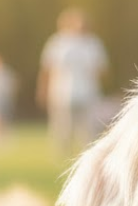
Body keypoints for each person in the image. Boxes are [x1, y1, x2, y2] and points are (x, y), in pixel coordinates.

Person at [36, 8, 109, 155]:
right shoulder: (58, 42)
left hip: (88, 93)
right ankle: (62, 157)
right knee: (63, 129)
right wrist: (42, 89)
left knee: (88, 130)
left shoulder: (93, 44)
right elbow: (47, 69)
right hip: (62, 93)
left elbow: (102, 69)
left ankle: (88, 156)